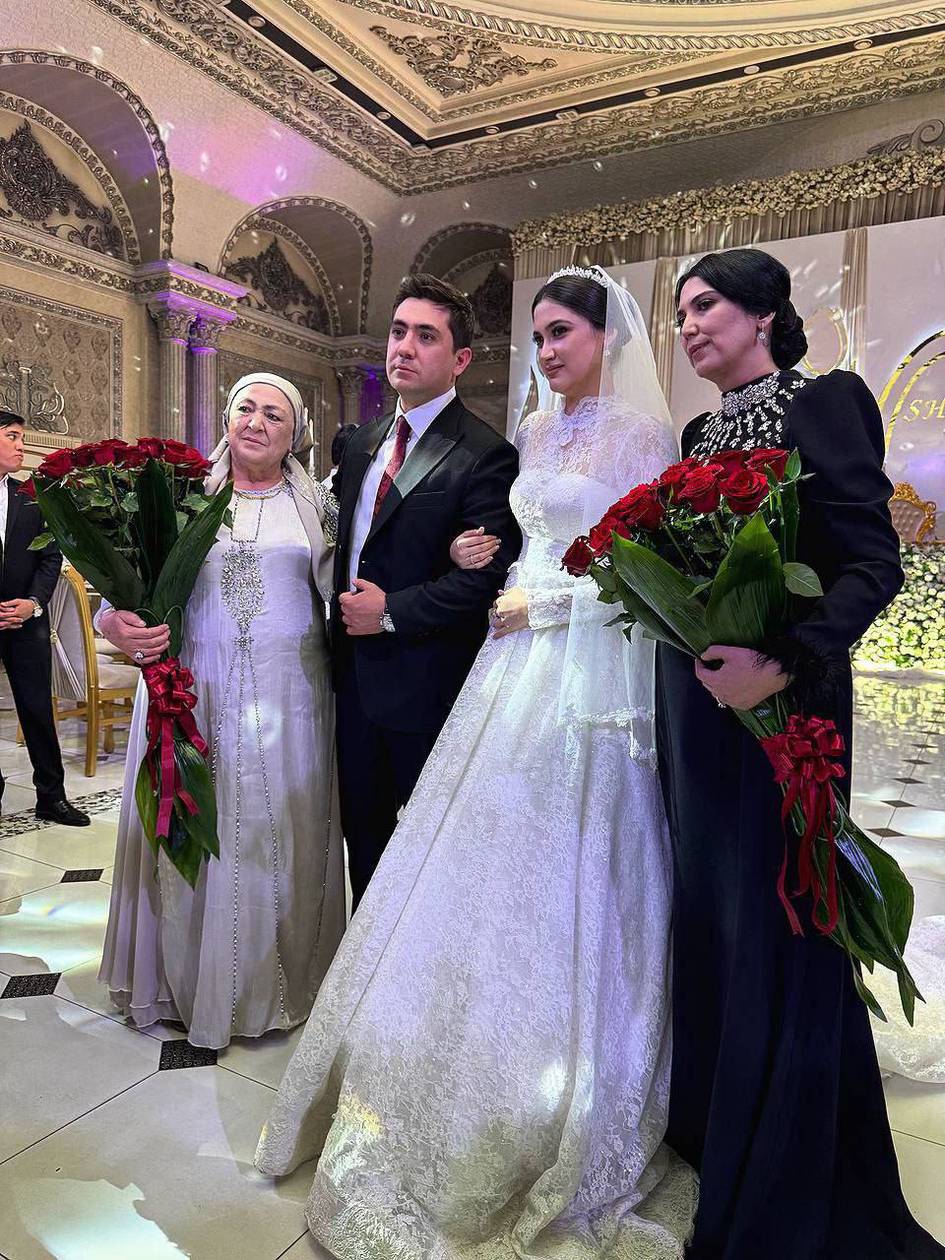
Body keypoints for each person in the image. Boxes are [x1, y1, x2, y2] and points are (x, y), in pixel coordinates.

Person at [254, 266, 698, 1259]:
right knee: (464, 854)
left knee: (569, 858)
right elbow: (505, 544)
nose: (546, 351)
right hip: (507, 662)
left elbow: (648, 574)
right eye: (537, 336)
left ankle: (560, 1064)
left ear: (606, 338)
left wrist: (544, 602)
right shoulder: (533, 434)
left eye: (562, 333)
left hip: (586, 665)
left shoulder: (640, 437)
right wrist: (492, 575)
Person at [659, 247, 944, 1258]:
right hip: (698, 715)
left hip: (785, 711)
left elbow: (871, 562)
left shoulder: (824, 400)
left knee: (780, 922)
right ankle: (717, 1136)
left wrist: (781, 662)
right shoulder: (697, 432)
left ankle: (782, 1169)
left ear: (763, 312)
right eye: (680, 312)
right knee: (713, 917)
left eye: (705, 306)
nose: (688, 326)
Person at [96, 373, 345, 1050]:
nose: (256, 422)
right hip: (192, 693)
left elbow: (349, 589)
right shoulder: (179, 497)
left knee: (273, 834)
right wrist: (114, 622)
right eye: (245, 408)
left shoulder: (321, 508)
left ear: (296, 435)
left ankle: (273, 987)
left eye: (274, 415)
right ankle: (182, 981)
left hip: (291, 702)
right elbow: (121, 585)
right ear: (226, 418)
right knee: (195, 825)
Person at [331, 272, 522, 905]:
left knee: (429, 856)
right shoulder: (360, 444)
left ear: (460, 359)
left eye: (426, 336)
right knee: (363, 841)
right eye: (397, 332)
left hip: (427, 682)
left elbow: (484, 581)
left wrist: (389, 612)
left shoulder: (485, 454)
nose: (405, 348)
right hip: (350, 681)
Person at [0, 409, 89, 826]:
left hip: (27, 621)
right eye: (13, 437)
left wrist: (32, 603)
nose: (22, 446)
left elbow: (50, 557)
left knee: (38, 710)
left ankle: (52, 797)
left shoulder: (30, 496)